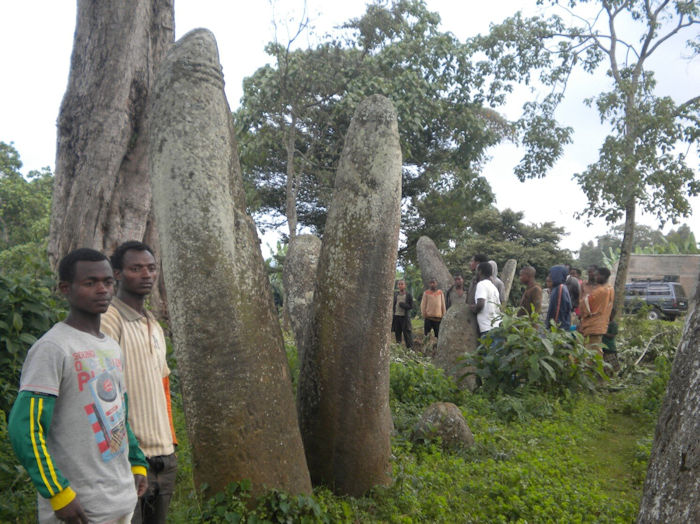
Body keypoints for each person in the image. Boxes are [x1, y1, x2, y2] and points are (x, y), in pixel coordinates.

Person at [8, 248, 148, 524]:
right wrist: (57, 493)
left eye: (108, 282)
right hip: (79, 508)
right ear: (65, 288)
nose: (102, 290)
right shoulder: (53, 348)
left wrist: (137, 460)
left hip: (122, 499)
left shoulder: (110, 346)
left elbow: (119, 413)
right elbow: (24, 427)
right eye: (90, 283)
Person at [101, 241, 177, 524]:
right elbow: (101, 391)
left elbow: (163, 386)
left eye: (151, 268)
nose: (146, 274)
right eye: (136, 268)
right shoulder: (109, 319)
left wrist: (171, 443)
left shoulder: (153, 324)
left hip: (164, 458)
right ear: (117, 274)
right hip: (128, 459)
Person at [579, 266, 615, 356]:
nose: (595, 278)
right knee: (594, 348)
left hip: (593, 325)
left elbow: (586, 306)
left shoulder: (600, 291)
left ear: (603, 276)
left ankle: (594, 369)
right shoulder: (610, 288)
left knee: (593, 350)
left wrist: (583, 299)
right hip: (601, 323)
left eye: (597, 275)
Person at [470, 262, 501, 336]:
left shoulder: (481, 284)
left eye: (477, 271)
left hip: (487, 328)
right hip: (497, 326)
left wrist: (474, 309)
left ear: (480, 272)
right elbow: (499, 308)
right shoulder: (493, 287)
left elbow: (480, 304)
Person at [545, 265, 572, 331]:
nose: (550, 277)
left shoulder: (560, 288)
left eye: (552, 274)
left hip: (558, 328)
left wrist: (554, 327)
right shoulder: (556, 288)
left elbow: (558, 311)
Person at [391, 279, 414, 349]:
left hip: (404, 318)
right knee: (397, 334)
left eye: (402, 284)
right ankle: (398, 348)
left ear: (405, 286)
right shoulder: (396, 295)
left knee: (407, 334)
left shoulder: (408, 295)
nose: (400, 286)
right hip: (396, 317)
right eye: (399, 284)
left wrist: (404, 305)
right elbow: (393, 305)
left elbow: (411, 306)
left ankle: (410, 349)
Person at [602, 307, 620, 375]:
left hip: (610, 347)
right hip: (604, 347)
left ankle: (611, 376)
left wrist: (603, 333)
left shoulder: (613, 324)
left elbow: (612, 335)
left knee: (611, 365)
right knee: (605, 364)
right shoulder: (605, 322)